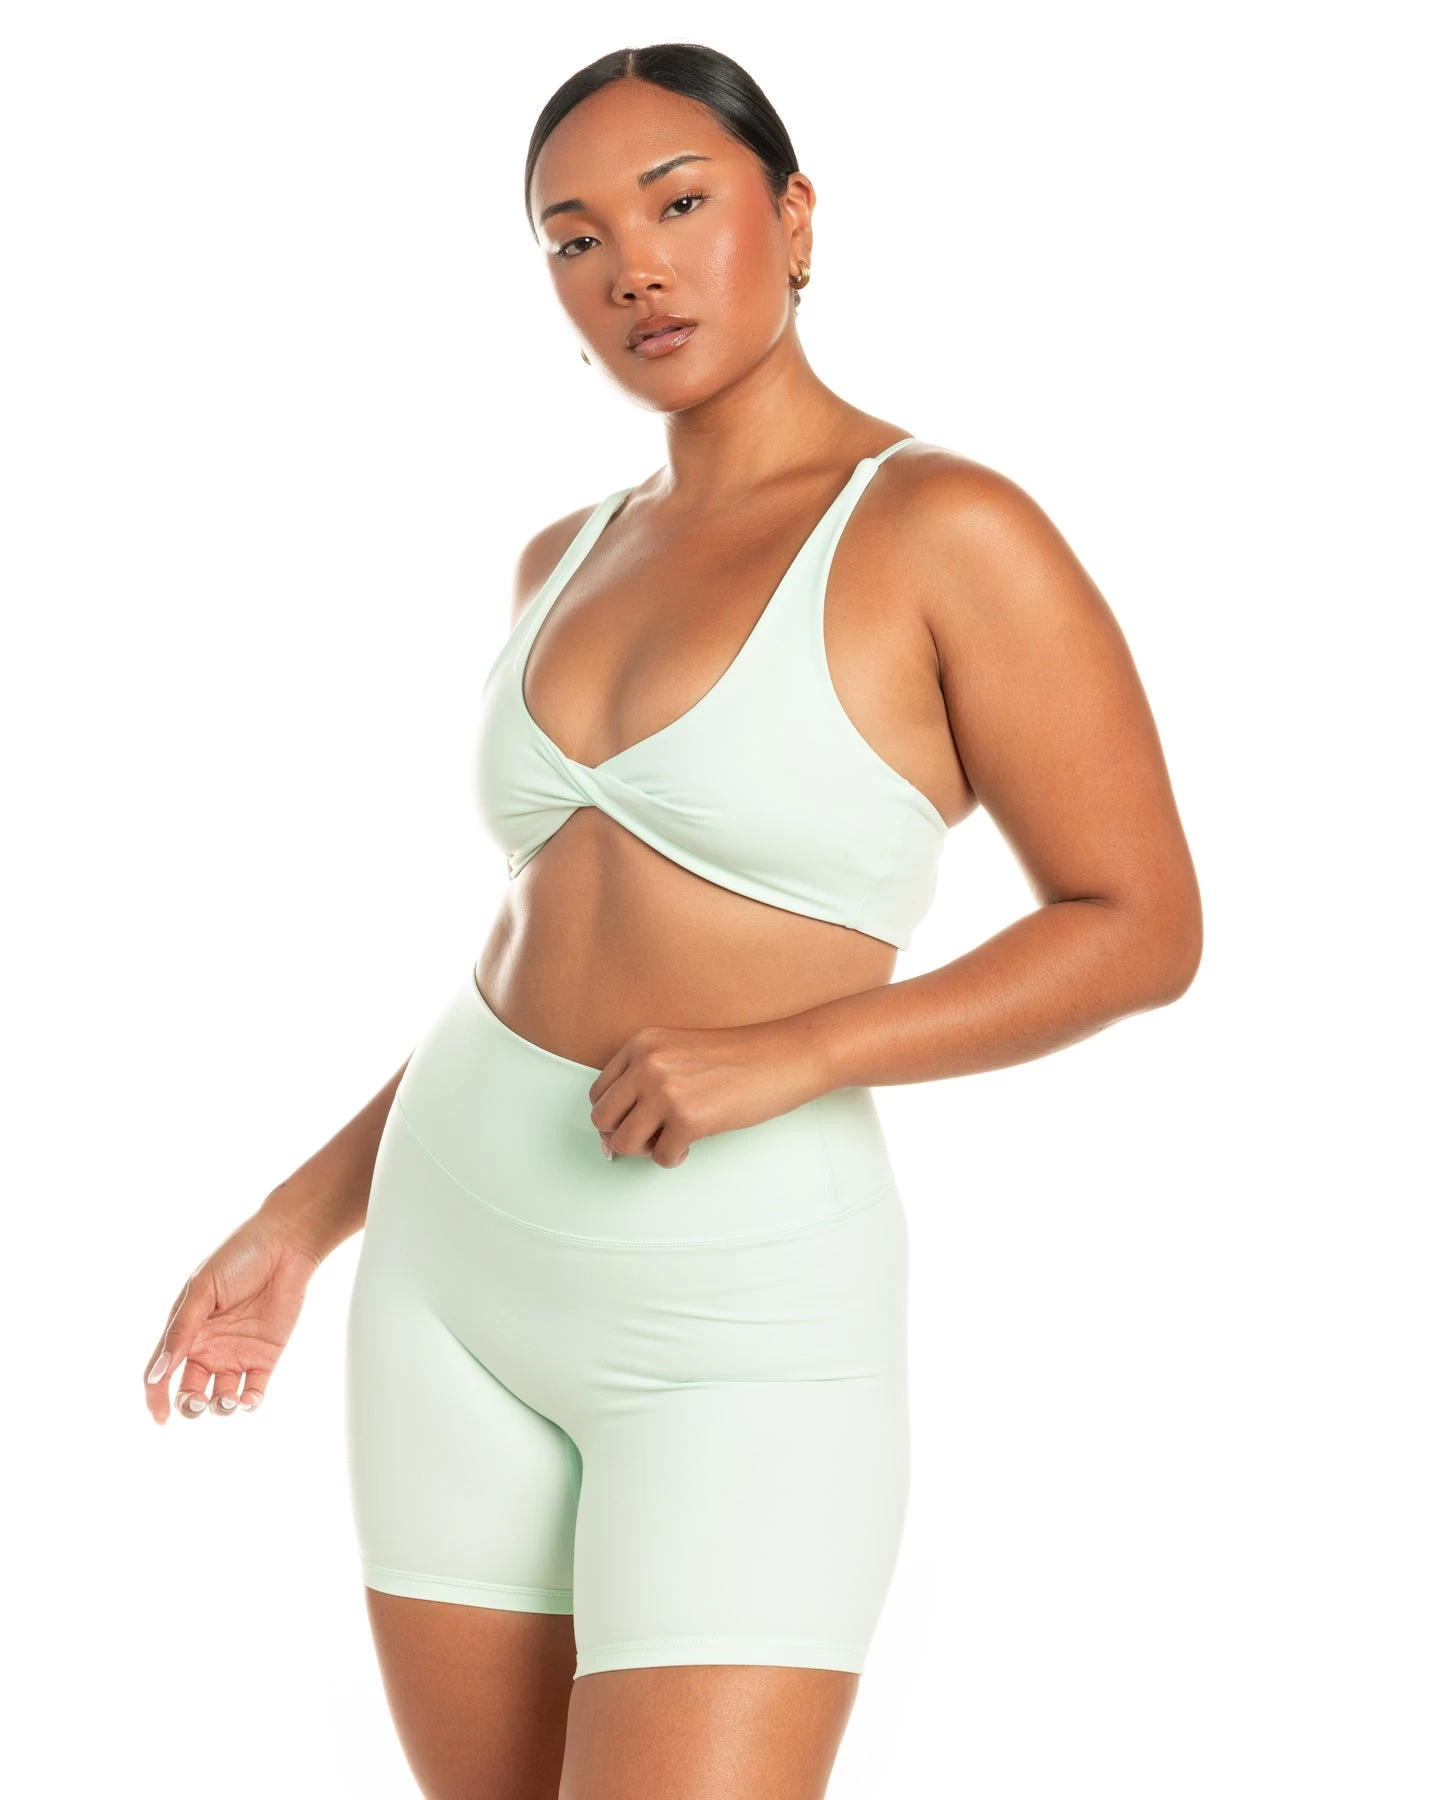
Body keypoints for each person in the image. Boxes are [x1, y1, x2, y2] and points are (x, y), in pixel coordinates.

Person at [141, 41, 1202, 1800]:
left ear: (795, 219)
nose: (630, 267)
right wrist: (302, 1220)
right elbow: (540, 947)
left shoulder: (945, 528)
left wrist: (803, 1052)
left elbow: (1141, 924)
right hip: (448, 1278)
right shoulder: (562, 554)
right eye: (574, 238)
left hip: (737, 1318)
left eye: (679, 204)